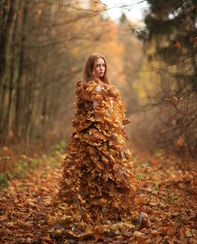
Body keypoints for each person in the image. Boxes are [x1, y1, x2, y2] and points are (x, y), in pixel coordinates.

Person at [48, 53, 139, 240]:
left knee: (112, 177)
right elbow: (94, 113)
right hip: (92, 140)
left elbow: (114, 114)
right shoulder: (88, 88)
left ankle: (108, 215)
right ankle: (91, 216)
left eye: (103, 65)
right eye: (97, 66)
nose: (101, 69)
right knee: (92, 177)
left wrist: (118, 130)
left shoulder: (108, 88)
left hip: (110, 138)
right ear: (90, 68)